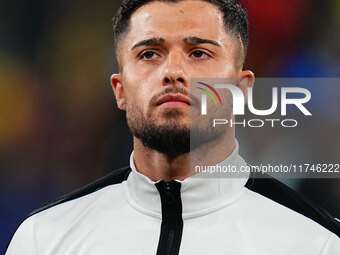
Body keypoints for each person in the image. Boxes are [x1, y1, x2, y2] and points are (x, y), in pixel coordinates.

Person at [6, 0, 340, 254]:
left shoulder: (317, 242)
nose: (173, 72)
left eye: (198, 53)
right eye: (150, 53)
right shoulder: (43, 238)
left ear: (241, 91)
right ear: (119, 89)